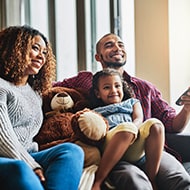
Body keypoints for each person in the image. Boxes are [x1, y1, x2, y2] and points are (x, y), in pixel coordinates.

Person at [53, 33, 190, 190]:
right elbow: (51, 88)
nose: (117, 48)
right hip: (113, 153)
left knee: (179, 179)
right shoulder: (85, 80)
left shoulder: (144, 88)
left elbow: (173, 124)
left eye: (121, 44)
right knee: (135, 181)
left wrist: (187, 108)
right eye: (109, 45)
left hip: (149, 151)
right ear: (98, 57)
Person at [0, 25, 84, 190]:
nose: (41, 56)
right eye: (35, 48)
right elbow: (2, 138)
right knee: (21, 168)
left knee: (72, 151)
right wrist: (32, 165)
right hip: (7, 157)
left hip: (28, 154)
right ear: (14, 49)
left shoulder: (35, 94)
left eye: (45, 52)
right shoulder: (1, 87)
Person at [91, 68, 164, 190]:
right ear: (98, 93)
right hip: (112, 143)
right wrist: (128, 128)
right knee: (126, 128)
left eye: (117, 86)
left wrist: (134, 128)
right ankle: (98, 181)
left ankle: (152, 179)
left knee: (156, 125)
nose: (113, 90)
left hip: (134, 139)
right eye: (106, 87)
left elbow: (139, 118)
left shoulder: (132, 102)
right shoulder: (94, 112)